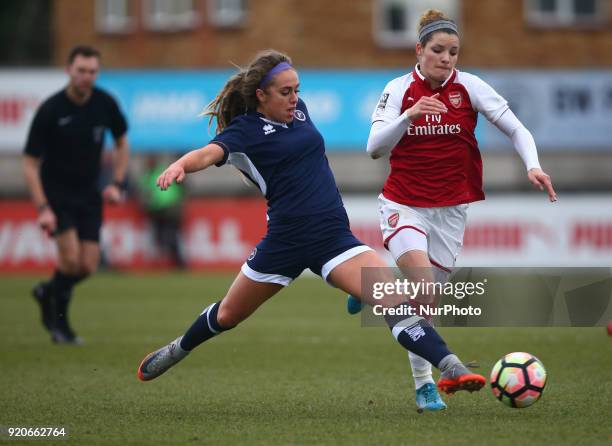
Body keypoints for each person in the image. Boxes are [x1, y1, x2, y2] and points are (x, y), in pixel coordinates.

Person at [136, 49, 487, 408]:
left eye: (297, 90)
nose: (295, 99)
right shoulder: (245, 132)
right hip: (284, 243)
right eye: (285, 92)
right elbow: (208, 154)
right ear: (261, 95)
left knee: (394, 300)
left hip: (333, 238)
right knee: (228, 315)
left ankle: (450, 367)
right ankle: (179, 348)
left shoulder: (299, 111)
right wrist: (180, 164)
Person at [346, 9, 557, 411]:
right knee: (423, 289)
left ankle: (374, 289)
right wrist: (409, 115)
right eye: (438, 50)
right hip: (403, 204)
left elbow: (517, 128)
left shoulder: (470, 87)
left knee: (424, 306)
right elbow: (374, 147)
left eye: (454, 52)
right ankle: (426, 385)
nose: (446, 58)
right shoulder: (397, 90)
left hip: (451, 212)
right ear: (419, 50)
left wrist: (533, 165)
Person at [23, 45, 129, 344]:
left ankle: (47, 292)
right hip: (57, 195)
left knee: (88, 266)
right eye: (81, 71)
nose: (86, 77)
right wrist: (42, 206)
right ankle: (61, 327)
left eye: (92, 72)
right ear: (69, 70)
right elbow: (30, 164)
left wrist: (117, 183)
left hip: (89, 194)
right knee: (70, 261)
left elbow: (122, 142)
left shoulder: (104, 103)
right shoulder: (51, 110)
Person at [137, 154, 186, 269]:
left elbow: (146, 194)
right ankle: (174, 262)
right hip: (160, 210)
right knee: (166, 236)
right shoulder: (159, 172)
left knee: (168, 236)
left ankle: (177, 262)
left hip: (168, 209)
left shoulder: (152, 174)